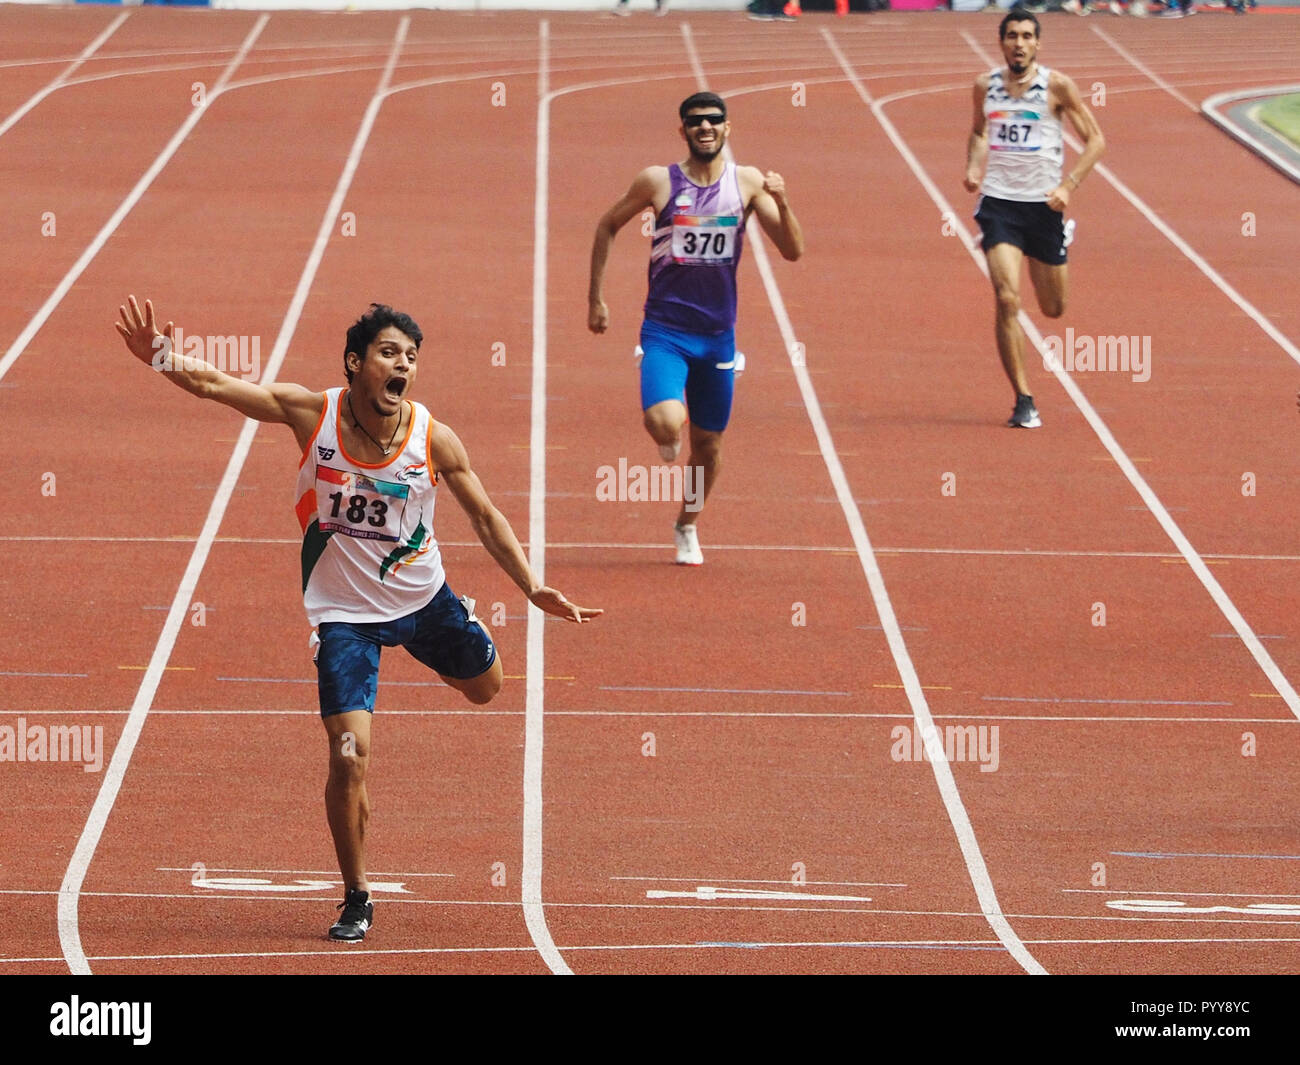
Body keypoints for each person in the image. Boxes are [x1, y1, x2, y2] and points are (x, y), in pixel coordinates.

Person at [115, 296, 601, 942]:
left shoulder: (433, 438)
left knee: (489, 688)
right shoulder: (311, 415)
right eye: (389, 352)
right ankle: (357, 893)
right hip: (344, 618)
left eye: (411, 357)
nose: (403, 365)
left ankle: (464, 628)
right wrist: (160, 355)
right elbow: (217, 385)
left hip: (425, 603)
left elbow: (485, 516)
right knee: (349, 757)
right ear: (355, 362)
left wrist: (532, 585)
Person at [587, 92, 803, 564]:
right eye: (695, 122)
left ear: (728, 128)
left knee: (708, 447)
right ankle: (669, 432)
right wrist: (596, 298)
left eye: (713, 121)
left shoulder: (746, 184)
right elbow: (606, 226)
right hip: (666, 330)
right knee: (666, 422)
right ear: (682, 131)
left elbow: (792, 250)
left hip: (718, 336)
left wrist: (783, 203)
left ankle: (686, 524)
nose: (705, 128)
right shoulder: (657, 182)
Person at [963, 9, 1105, 428]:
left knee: (1054, 309)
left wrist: (1069, 186)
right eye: (1012, 36)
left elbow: (1096, 140)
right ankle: (1023, 399)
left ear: (1037, 44)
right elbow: (977, 131)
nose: (1019, 43)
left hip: (1044, 209)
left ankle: (1063, 242)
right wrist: (974, 166)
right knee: (1007, 298)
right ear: (1002, 42)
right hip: (1000, 206)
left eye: (1027, 36)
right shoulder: (984, 87)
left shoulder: (1057, 87)